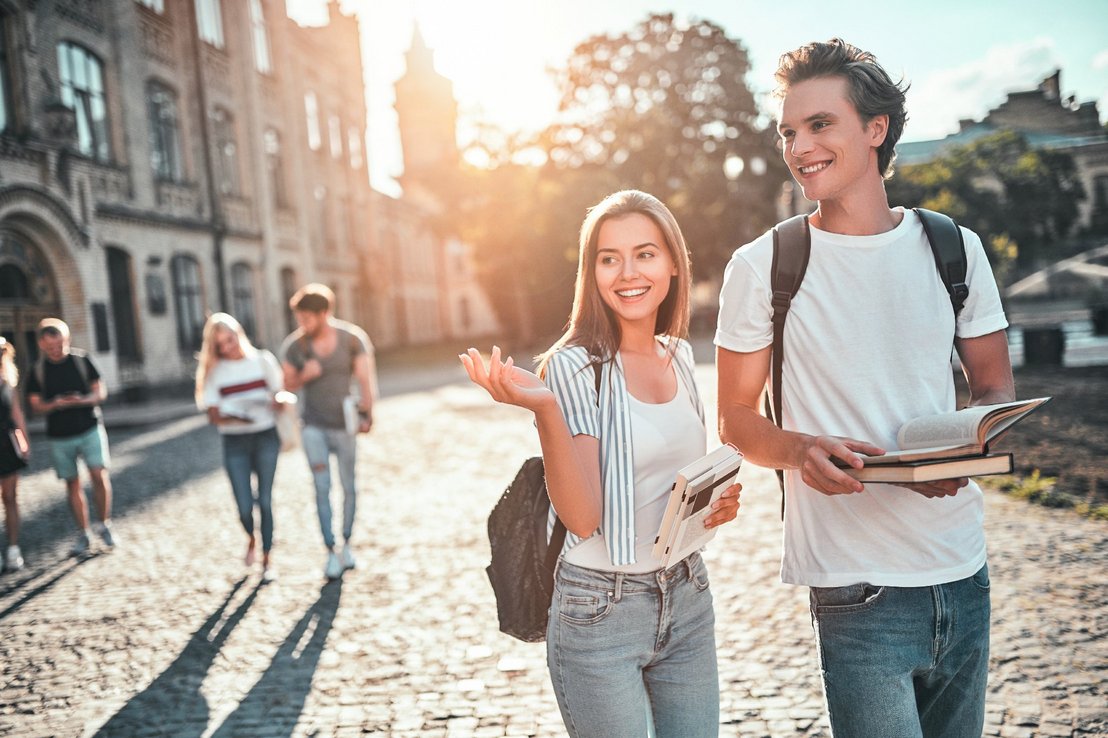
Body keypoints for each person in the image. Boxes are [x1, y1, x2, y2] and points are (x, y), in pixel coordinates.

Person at [714, 39, 1015, 737]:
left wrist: (961, 454)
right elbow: (735, 418)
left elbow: (995, 384)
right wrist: (798, 451)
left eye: (821, 125)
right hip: (856, 586)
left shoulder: (954, 248)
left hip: (961, 570)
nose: (800, 146)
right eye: (790, 131)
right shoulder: (765, 266)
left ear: (875, 130)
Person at [462, 189, 742, 738]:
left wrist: (716, 505)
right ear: (591, 273)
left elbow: (676, 482)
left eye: (645, 254)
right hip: (600, 608)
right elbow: (584, 518)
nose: (626, 272)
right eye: (608, 258)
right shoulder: (573, 368)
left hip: (687, 596)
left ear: (673, 265)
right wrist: (545, 409)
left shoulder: (681, 357)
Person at [280, 284, 377, 581]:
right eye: (299, 318)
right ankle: (329, 551)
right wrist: (302, 376)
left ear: (325, 313)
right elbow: (285, 386)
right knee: (321, 487)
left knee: (349, 486)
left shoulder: (351, 340)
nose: (303, 324)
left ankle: (346, 544)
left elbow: (365, 379)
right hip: (313, 426)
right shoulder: (294, 347)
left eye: (308, 318)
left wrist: (367, 414)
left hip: (345, 424)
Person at [196, 313, 286, 582]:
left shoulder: (263, 360)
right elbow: (212, 415)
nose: (228, 346)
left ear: (239, 334)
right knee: (244, 505)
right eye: (221, 343)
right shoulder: (215, 371)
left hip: (265, 436)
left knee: (266, 500)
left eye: (230, 339)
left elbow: (280, 395)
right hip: (234, 441)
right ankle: (250, 537)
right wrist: (233, 415)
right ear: (216, 347)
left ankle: (267, 559)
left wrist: (274, 401)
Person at [26, 318, 119, 556]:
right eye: (50, 348)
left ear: (66, 340)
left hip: (89, 426)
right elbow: (35, 405)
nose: (56, 351)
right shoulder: (38, 370)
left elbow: (100, 392)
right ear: (42, 345)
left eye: (59, 345)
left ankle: (104, 524)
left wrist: (82, 400)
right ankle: (83, 533)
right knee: (72, 483)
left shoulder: (82, 361)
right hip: (60, 434)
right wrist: (55, 404)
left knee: (99, 473)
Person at [0, 338, 29, 572]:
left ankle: (13, 549)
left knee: (10, 498)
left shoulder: (8, 381)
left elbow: (16, 413)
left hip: (7, 445)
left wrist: (24, 441)